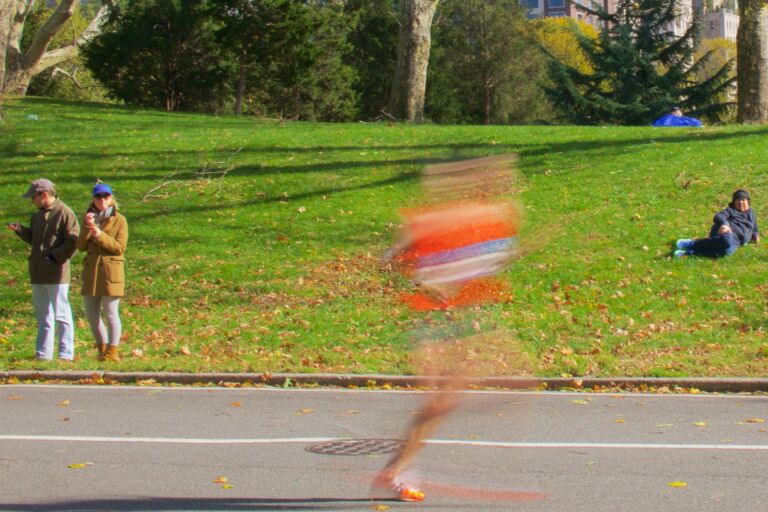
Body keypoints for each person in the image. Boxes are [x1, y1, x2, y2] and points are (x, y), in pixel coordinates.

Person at [7, 179, 79, 361]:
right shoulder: (37, 216)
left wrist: (56, 256)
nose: (33, 201)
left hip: (57, 273)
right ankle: (43, 354)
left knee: (61, 315)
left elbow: (73, 241)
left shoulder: (65, 213)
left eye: (34, 197)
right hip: (38, 272)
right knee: (43, 316)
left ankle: (65, 354)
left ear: (44, 195)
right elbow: (36, 240)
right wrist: (21, 231)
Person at [76, 183, 128, 361]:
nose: (102, 200)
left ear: (111, 198)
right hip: (92, 273)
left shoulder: (119, 219)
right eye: (98, 197)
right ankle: (102, 349)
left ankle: (112, 351)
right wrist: (87, 227)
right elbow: (81, 246)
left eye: (106, 197)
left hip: (110, 272)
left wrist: (99, 234)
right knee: (91, 314)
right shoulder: (88, 218)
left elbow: (119, 247)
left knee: (111, 313)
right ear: (93, 199)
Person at [674, 189, 759, 258]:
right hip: (724, 232)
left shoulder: (751, 213)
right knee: (726, 242)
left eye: (743, 199)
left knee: (727, 252)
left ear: (748, 201)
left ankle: (690, 253)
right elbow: (718, 216)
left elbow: (754, 227)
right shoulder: (731, 210)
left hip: (736, 241)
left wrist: (755, 235)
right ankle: (691, 243)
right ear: (734, 202)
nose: (741, 202)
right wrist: (725, 224)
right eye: (738, 200)